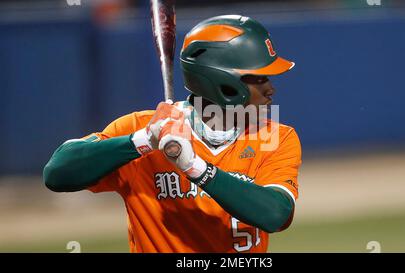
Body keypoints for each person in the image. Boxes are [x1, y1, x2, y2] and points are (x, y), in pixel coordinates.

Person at [43, 15, 302, 253]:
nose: (270, 89)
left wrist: (195, 168)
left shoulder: (275, 136)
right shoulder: (143, 128)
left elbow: (275, 215)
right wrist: (143, 142)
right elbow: (57, 173)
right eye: (258, 78)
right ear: (223, 82)